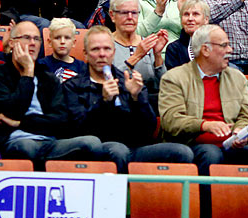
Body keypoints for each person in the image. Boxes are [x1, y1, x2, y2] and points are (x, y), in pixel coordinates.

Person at [61, 27, 195, 172]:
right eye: (95, 49)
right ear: (85, 55)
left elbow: (148, 130)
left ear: (113, 53)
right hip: (98, 153)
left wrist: (137, 99)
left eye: (107, 49)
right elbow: (76, 130)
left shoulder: (129, 82)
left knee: (182, 152)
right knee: (118, 150)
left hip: (133, 149)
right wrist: (103, 101)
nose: (102, 54)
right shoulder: (72, 86)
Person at [0, 21, 108, 166]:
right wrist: (27, 74)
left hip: (50, 142)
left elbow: (60, 120)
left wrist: (19, 123)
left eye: (36, 39)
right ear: (12, 43)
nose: (32, 43)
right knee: (27, 148)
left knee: (92, 143)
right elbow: (12, 111)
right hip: (17, 141)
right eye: (26, 38)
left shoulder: (48, 78)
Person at [158, 25, 248, 174]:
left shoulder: (237, 77)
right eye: (224, 45)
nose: (230, 50)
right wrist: (205, 125)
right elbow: (171, 120)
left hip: (231, 144)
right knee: (211, 153)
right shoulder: (174, 78)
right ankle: (205, 198)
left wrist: (241, 131)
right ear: (205, 50)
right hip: (192, 144)